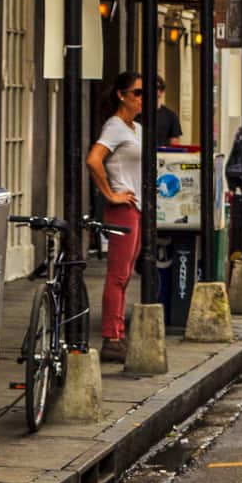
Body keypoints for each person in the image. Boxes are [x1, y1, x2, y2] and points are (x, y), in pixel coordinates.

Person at [86, 71, 146, 364]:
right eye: (136, 93)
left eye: (144, 93)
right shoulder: (114, 127)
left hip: (135, 209)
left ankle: (118, 332)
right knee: (118, 274)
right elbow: (93, 159)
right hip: (122, 207)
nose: (141, 98)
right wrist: (111, 194)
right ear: (121, 95)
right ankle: (112, 336)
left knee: (126, 275)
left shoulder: (135, 128)